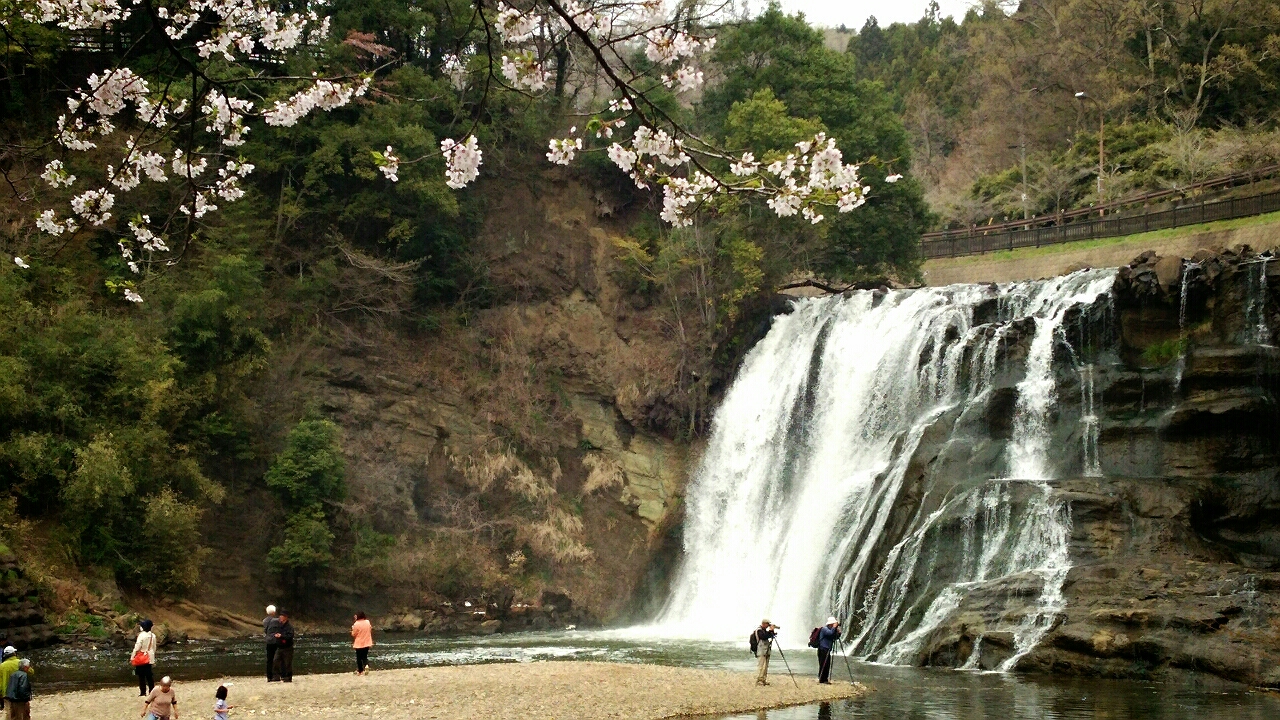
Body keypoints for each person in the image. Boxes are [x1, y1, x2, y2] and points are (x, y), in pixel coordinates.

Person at [133, 619, 158, 696]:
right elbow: (154, 647)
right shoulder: (153, 636)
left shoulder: (141, 635)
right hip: (149, 656)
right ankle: (152, 691)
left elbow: (137, 647)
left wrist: (133, 656)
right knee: (149, 675)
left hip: (141, 657)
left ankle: (143, 692)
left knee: (141, 676)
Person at [752, 619, 778, 686]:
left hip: (766, 650)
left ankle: (763, 679)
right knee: (761, 666)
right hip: (761, 650)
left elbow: (767, 635)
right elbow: (764, 636)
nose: (768, 625)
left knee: (766, 666)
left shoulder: (763, 631)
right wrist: (771, 631)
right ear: (763, 623)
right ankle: (759, 680)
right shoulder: (759, 630)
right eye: (767, 624)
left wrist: (772, 633)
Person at [271, 610, 295, 682]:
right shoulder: (279, 626)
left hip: (287, 647)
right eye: (280, 616)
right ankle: (276, 676)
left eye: (282, 616)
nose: (280, 617)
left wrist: (282, 636)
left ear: (286, 617)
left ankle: (288, 677)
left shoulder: (289, 627)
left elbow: (290, 636)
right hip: (279, 647)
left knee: (287, 663)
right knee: (275, 661)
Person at [816, 616, 841, 684]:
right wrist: (834, 628)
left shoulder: (831, 630)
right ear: (830, 624)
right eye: (833, 624)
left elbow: (835, 637)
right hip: (822, 649)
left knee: (827, 665)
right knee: (823, 664)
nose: (834, 625)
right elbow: (829, 633)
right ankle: (821, 679)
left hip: (827, 650)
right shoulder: (824, 629)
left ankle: (825, 679)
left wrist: (838, 632)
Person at [263, 605, 280, 682]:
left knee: (269, 659)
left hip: (268, 641)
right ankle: (275, 675)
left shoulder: (264, 621)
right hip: (275, 641)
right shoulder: (276, 620)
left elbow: (265, 631)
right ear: (273, 612)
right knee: (276, 658)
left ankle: (269, 676)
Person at [0, 647, 18, 711]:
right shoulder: (20, 663)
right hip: (20, 691)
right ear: (14, 653)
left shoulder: (2, 666)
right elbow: (31, 672)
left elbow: (0, 681)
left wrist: (1, 693)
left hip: (7, 693)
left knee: (9, 711)